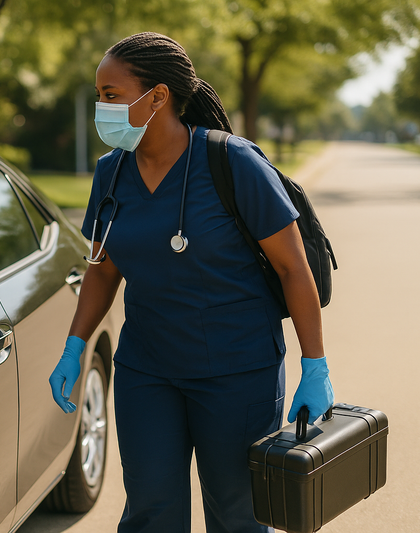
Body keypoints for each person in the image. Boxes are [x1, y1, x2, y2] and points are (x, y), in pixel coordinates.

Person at [48, 32, 334, 533]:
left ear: (157, 97)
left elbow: (293, 269)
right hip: (147, 372)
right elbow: (103, 267)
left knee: (238, 516)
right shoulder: (111, 174)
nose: (102, 108)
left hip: (237, 372)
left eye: (111, 95)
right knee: (149, 514)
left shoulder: (233, 163)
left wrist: (316, 365)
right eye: (99, 96)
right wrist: (74, 346)